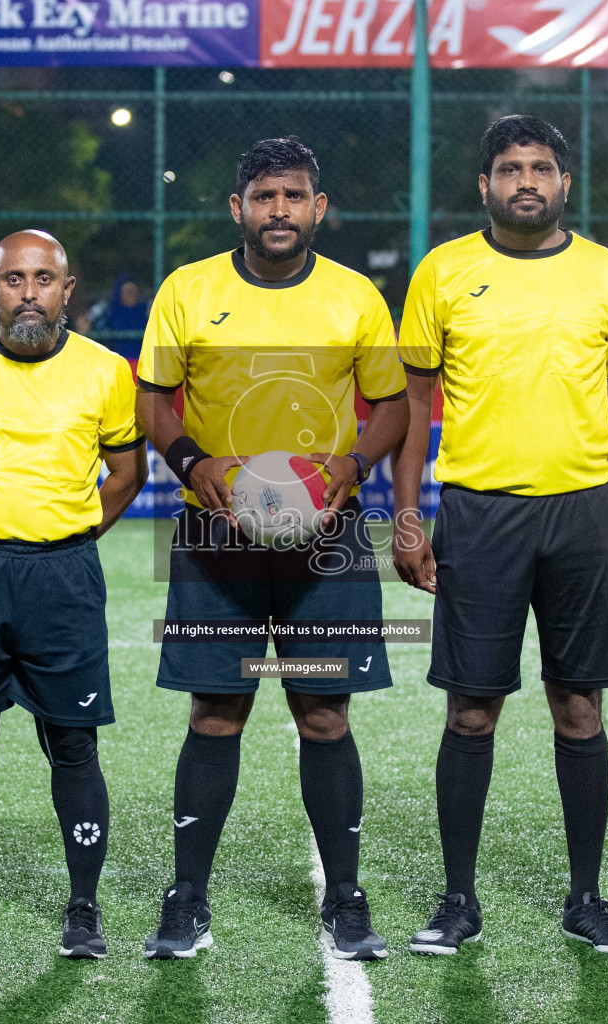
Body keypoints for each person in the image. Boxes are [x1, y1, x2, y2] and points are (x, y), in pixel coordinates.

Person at [135, 137, 409, 961]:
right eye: (264, 197)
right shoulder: (188, 291)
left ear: (318, 209)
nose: (279, 211)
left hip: (325, 541)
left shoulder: (357, 297)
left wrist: (353, 465)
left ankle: (347, 897)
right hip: (216, 537)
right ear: (238, 209)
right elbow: (151, 401)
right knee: (217, 710)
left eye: (294, 196)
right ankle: (187, 899)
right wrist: (193, 461)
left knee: (324, 713)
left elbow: (392, 407)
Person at [393, 115, 608, 957]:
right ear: (485, 185)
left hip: (585, 512)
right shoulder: (443, 272)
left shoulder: (605, 274)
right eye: (509, 168)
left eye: (541, 167)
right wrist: (407, 517)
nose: (526, 181)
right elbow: (411, 406)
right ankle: (458, 900)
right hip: (480, 513)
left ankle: (587, 898)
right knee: (472, 709)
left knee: (579, 704)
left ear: (564, 183)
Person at [0, 230, 146, 959]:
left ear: (68, 291)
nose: (29, 291)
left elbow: (127, 472)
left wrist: (72, 536)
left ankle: (83, 911)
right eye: (14, 279)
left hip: (62, 580)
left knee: (73, 744)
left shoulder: (106, 372)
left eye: (44, 278)